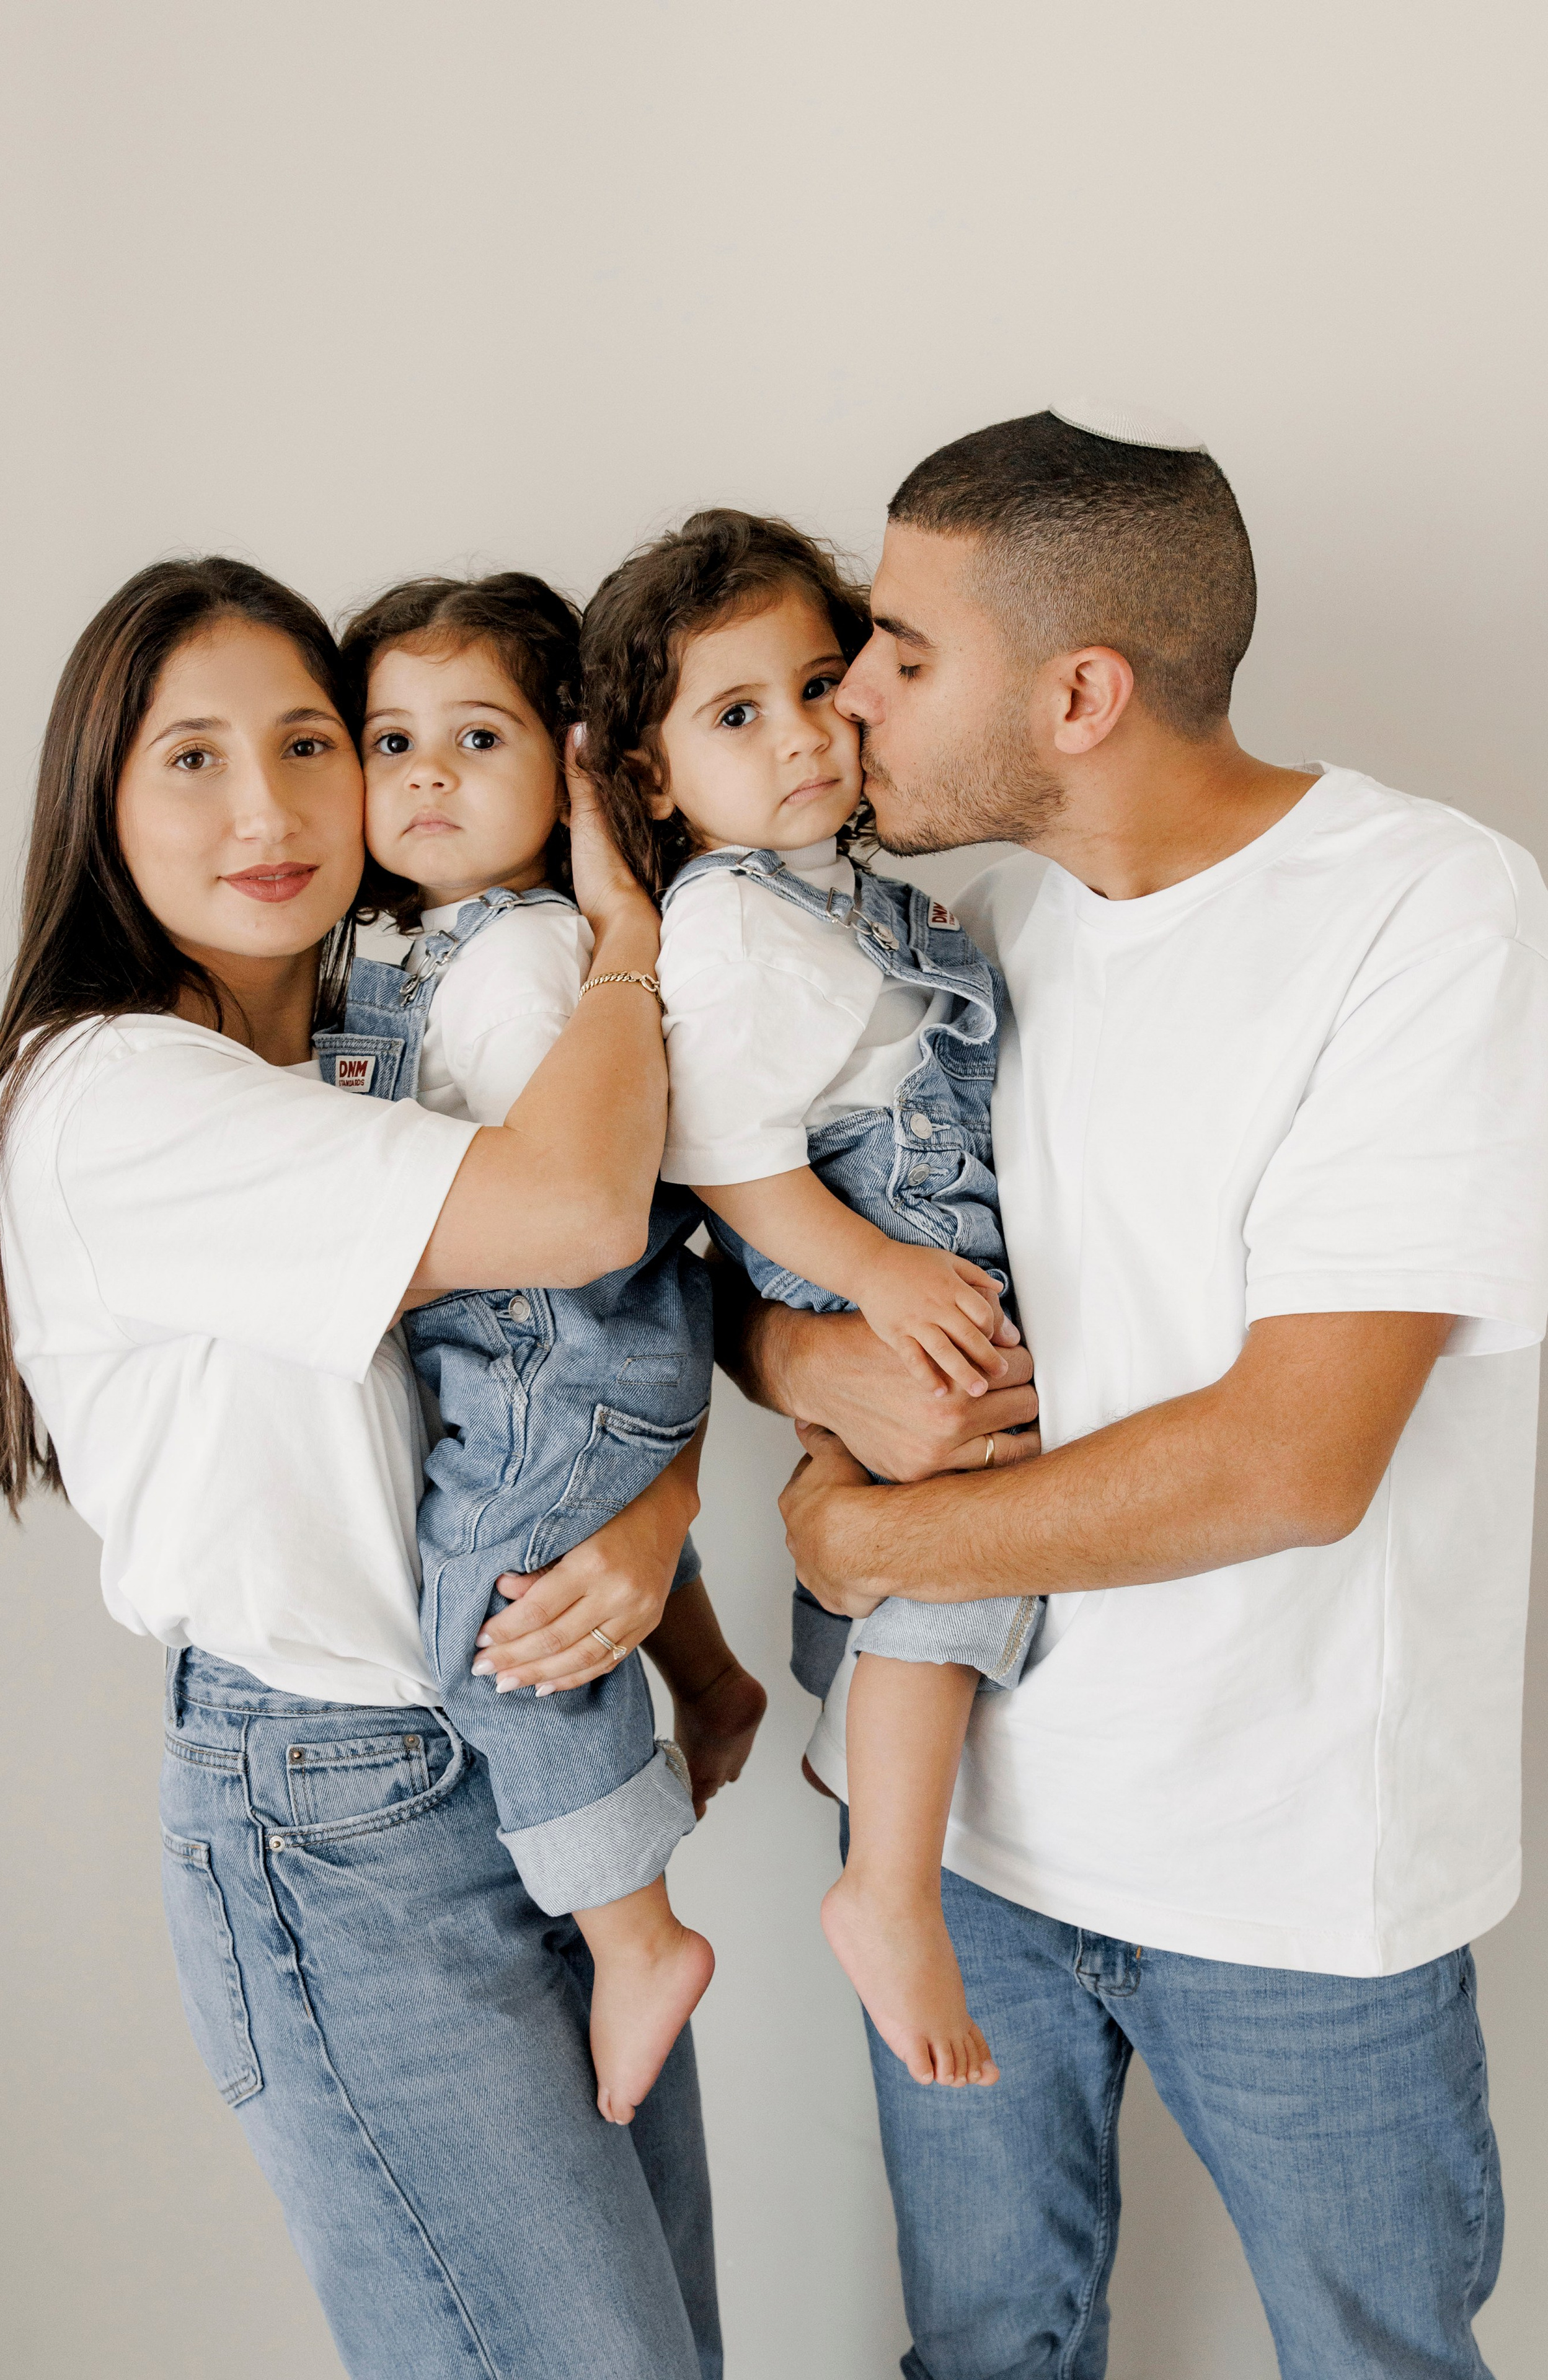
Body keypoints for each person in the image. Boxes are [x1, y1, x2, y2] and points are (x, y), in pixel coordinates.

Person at [727, 405, 1548, 2379]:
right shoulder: (968, 933)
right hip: (967, 1854)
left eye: (908, 654)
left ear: (1081, 691)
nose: (851, 695)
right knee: (985, 2358)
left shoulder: (1432, 915)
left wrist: (866, 1532)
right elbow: (763, 1276)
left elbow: (1294, 1460)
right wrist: (805, 1360)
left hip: (1298, 1878)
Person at [0, 557, 722, 2379]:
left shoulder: (377, 1040)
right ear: (100, 804)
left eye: (310, 743)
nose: (269, 809)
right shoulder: (113, 1094)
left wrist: (666, 1508)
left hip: (528, 1750)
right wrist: (625, 934)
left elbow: (573, 1356)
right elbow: (587, 1207)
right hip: (339, 1819)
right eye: (193, 761)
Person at [581, 508, 1040, 2092]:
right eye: (732, 717)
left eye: (815, 686)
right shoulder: (729, 922)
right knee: (963, 1541)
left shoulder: (830, 892)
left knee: (950, 1554)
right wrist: (876, 1274)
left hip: (901, 1262)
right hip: (872, 1252)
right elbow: (726, 1163)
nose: (798, 739)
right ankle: (885, 1888)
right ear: (649, 780)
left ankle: (888, 1850)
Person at [317, 568, 765, 2125]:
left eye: (477, 738)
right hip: (548, 1361)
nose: (425, 775)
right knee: (576, 1555)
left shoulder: (515, 963)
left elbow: (574, 1191)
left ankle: (636, 1939)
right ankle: (711, 1689)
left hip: (555, 1341)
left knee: (495, 1624)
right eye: (387, 741)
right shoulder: (398, 943)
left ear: (571, 772)